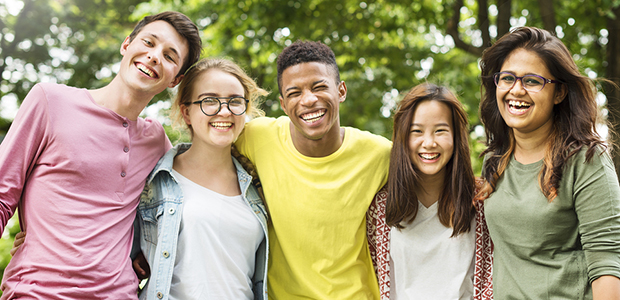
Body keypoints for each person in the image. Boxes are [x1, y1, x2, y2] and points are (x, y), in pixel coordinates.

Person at [0, 11, 201, 299]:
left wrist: (142, 251)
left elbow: (180, 210)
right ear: (126, 44)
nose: (155, 56)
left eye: (170, 56)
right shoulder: (50, 101)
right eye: (148, 42)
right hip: (37, 292)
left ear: (175, 79)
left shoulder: (157, 142)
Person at [235, 40, 392, 299]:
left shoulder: (380, 153)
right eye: (295, 93)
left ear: (341, 91)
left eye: (319, 87)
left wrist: (481, 185)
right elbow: (200, 150)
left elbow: (437, 178)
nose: (308, 100)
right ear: (284, 104)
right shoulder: (256, 136)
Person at [479, 26, 620, 299]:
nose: (516, 90)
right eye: (507, 78)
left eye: (532, 81)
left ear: (559, 93)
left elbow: (608, 264)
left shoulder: (587, 159)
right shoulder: (494, 160)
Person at [136, 58, 269, 300]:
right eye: (209, 101)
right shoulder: (156, 180)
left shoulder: (257, 185)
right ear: (186, 112)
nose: (225, 110)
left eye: (235, 101)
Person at [386, 83, 477, 299]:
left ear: (456, 137)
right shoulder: (381, 206)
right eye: (416, 131)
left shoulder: (480, 202)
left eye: (440, 131)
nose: (429, 143)